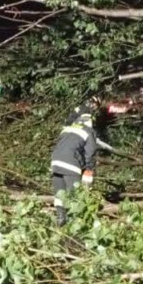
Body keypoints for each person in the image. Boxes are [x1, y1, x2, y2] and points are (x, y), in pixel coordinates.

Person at [50, 93, 105, 226]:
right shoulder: (89, 131)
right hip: (70, 164)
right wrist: (89, 170)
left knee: (60, 195)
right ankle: (75, 226)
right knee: (74, 197)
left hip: (55, 162)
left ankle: (60, 221)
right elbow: (90, 153)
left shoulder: (67, 129)